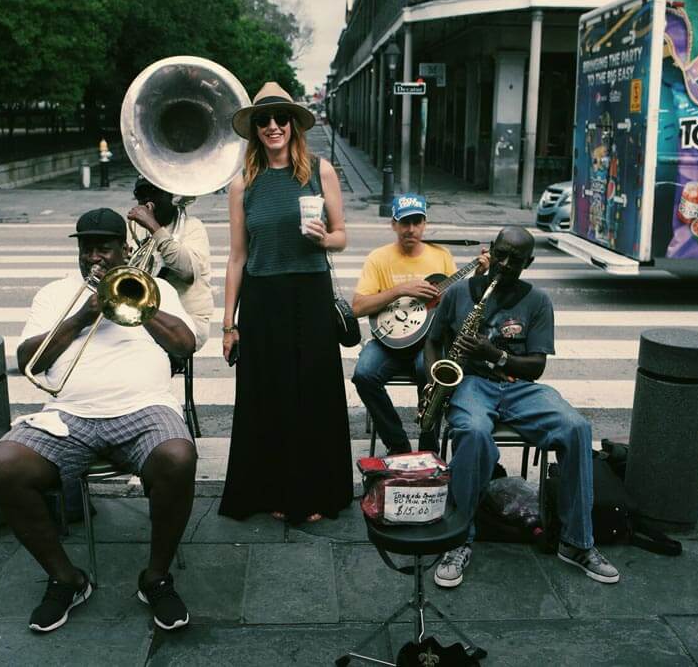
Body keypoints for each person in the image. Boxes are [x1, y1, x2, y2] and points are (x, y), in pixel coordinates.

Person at [0, 208, 198, 633]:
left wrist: (137, 302)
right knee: (2, 466)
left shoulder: (153, 289)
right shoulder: (55, 294)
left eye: (104, 247)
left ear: (125, 249)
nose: (94, 256)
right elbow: (29, 360)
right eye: (87, 248)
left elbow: (185, 345)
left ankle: (155, 577)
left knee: (177, 456)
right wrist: (85, 313)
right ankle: (66, 579)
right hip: (69, 417)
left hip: (145, 410)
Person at [424, 226, 620, 588]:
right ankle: (457, 539)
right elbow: (433, 341)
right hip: (470, 384)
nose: (504, 263)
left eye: (515, 260)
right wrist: (438, 377)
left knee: (577, 428)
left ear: (528, 263)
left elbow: (536, 365)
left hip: (519, 388)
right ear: (491, 249)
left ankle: (577, 543)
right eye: (500, 254)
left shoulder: (537, 301)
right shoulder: (456, 294)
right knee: (473, 431)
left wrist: (494, 354)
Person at [219, 81, 352, 523]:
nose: (273, 126)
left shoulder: (320, 170)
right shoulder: (243, 185)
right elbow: (237, 257)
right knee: (268, 396)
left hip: (309, 293)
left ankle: (316, 492)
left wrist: (324, 238)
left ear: (294, 124)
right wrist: (228, 323)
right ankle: (272, 491)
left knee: (312, 393)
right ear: (255, 130)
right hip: (262, 297)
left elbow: (341, 237)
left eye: (280, 119)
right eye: (264, 120)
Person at [352, 193, 475, 455]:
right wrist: (401, 290)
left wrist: (481, 274)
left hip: (427, 342)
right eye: (404, 223)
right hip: (389, 343)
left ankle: (428, 447)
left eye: (417, 222)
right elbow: (358, 307)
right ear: (393, 225)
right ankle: (398, 445)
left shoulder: (441, 255)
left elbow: (456, 303)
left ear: (424, 224)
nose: (411, 229)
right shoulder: (378, 258)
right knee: (363, 374)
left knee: (430, 372)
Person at [126, 175, 214, 350]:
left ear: (170, 196)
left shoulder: (192, 227)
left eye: (155, 192)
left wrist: (154, 227)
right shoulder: (135, 228)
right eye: (141, 194)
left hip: (187, 321)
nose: (147, 200)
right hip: (148, 318)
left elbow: (187, 272)